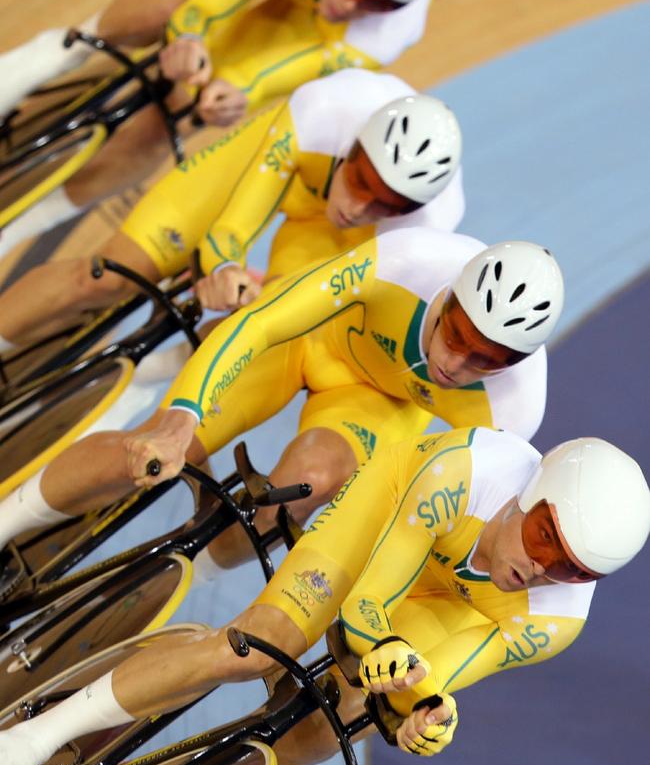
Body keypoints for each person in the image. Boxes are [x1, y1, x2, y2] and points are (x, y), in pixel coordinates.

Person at [1, 427, 647, 765]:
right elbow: (366, 606)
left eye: (572, 568)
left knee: (353, 710)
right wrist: (378, 648)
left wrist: (424, 707)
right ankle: (31, 740)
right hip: (389, 521)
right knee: (254, 646)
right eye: (543, 538)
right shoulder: (463, 471)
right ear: (531, 495)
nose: (543, 568)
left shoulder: (557, 620)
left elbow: (446, 666)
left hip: (453, 605)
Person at [0, 235, 564, 569]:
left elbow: (447, 512)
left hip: (377, 409)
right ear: (447, 295)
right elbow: (262, 322)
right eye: (453, 333)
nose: (452, 363)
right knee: (149, 446)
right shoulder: (408, 260)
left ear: (513, 364)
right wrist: (181, 418)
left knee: (258, 525)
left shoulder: (514, 409)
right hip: (313, 341)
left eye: (482, 362)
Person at [0, 0, 449, 246]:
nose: (351, 2)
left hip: (309, 31)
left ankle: (18, 229)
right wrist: (190, 32)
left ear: (394, 8)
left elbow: (264, 77)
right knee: (168, 9)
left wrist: (227, 95)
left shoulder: (381, 37)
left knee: (185, 109)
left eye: (375, 1)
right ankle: (63, 49)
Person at [0, 68, 464, 355]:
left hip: (336, 244)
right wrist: (224, 264)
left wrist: (265, 301)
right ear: (352, 148)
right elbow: (235, 220)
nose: (359, 207)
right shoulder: (322, 112)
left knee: (259, 330)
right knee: (109, 274)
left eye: (386, 204)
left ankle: (139, 379)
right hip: (281, 168)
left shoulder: (425, 232)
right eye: (361, 182)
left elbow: (320, 313)